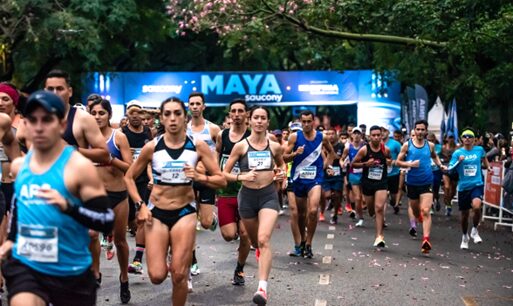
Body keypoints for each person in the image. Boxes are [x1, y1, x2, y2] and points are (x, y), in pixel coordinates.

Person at [0, 90, 114, 306]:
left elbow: (107, 220)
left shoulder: (80, 168)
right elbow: (18, 204)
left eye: (47, 119)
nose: (39, 127)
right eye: (33, 120)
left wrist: (69, 208)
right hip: (27, 267)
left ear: (61, 125)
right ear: (25, 125)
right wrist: (11, 240)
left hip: (70, 272)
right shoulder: (20, 166)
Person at [124, 97, 226, 306]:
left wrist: (201, 178)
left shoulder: (197, 146)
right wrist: (140, 206)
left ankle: (180, 262)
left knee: (179, 275)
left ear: (184, 117)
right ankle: (173, 256)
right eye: (167, 114)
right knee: (157, 275)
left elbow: (221, 179)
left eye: (177, 113)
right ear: (161, 118)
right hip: (157, 214)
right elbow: (128, 178)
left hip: (185, 212)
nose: (172, 119)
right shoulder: (152, 147)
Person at [42, 70, 110, 285]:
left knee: (89, 236)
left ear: (69, 92)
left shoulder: (82, 119)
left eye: (59, 88)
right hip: (48, 188)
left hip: (78, 188)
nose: (55, 92)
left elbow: (104, 154)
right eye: (50, 89)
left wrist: (74, 151)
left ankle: (93, 270)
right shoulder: (38, 118)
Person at [222, 105, 285, 305]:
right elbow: (224, 172)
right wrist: (243, 176)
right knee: (255, 241)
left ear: (268, 122)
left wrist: (282, 173)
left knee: (264, 239)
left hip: (268, 196)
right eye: (256, 117)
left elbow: (282, 164)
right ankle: (256, 251)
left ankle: (262, 288)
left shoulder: (274, 146)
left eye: (263, 118)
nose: (259, 121)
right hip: (247, 197)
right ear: (250, 121)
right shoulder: (241, 146)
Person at [89, 98, 133, 303]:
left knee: (120, 240)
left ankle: (124, 277)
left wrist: (111, 160)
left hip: (117, 195)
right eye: (94, 113)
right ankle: (95, 272)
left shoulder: (119, 137)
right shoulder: (85, 138)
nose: (97, 117)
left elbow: (131, 168)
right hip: (93, 195)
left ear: (109, 115)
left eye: (101, 113)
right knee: (91, 235)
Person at [284, 110, 335, 259]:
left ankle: (309, 244)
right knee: (301, 215)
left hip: (315, 179)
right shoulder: (294, 137)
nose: (306, 124)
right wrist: (295, 154)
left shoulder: (321, 137)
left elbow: (331, 154)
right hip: (298, 179)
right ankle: (302, 239)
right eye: (303, 122)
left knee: (313, 211)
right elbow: (284, 158)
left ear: (314, 122)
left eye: (309, 121)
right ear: (300, 122)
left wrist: (326, 167)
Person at [215, 99, 252, 285]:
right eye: (233, 111)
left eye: (240, 111)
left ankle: (239, 268)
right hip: (226, 191)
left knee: (246, 235)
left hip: (248, 193)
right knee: (229, 235)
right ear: (230, 115)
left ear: (247, 114)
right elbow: (217, 155)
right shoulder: (222, 135)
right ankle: (231, 224)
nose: (236, 114)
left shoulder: (254, 135)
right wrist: (215, 176)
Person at [396, 120, 446, 254]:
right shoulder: (407, 145)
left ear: (426, 131)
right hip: (412, 183)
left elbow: (435, 157)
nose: (419, 132)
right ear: (414, 130)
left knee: (425, 210)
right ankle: (418, 219)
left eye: (422, 130)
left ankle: (426, 240)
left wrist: (440, 165)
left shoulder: (430, 145)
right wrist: (410, 164)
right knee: (417, 211)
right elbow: (397, 162)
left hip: (427, 182)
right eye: (417, 129)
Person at [122, 102, 153, 275]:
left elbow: (150, 158)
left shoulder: (148, 133)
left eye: (137, 112)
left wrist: (151, 177)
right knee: (130, 219)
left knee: (142, 217)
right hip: (125, 180)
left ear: (142, 114)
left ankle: (137, 260)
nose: (134, 115)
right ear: (127, 114)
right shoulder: (121, 133)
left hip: (143, 181)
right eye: (131, 112)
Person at [448, 128, 490, 249]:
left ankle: (475, 230)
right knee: (465, 215)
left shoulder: (479, 150)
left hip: (477, 184)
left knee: (477, 206)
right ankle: (465, 236)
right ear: (461, 139)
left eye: (470, 137)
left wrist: (488, 167)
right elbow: (450, 168)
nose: (467, 138)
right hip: (463, 187)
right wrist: (459, 162)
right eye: (465, 136)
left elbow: (484, 158)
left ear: (474, 140)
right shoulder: (457, 153)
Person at [352, 126, 391, 248]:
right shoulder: (364, 150)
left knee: (379, 208)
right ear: (369, 136)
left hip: (381, 182)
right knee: (371, 210)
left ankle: (379, 236)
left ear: (381, 136)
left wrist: (389, 162)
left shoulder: (385, 150)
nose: (376, 137)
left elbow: (390, 161)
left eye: (378, 135)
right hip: (368, 183)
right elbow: (353, 164)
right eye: (373, 135)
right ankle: (372, 213)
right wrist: (365, 164)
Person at [341, 127, 366, 226]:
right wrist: (342, 163)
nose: (356, 135)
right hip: (353, 174)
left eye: (358, 133)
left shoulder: (365, 147)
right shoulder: (348, 148)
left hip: (365, 174)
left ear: (361, 135)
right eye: (354, 133)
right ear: (351, 135)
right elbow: (342, 158)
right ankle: (360, 217)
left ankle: (373, 212)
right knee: (358, 198)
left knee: (366, 199)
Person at [322, 127, 344, 224]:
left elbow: (340, 157)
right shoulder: (322, 146)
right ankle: (331, 201)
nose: (330, 136)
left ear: (336, 135)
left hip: (337, 173)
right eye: (328, 134)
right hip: (326, 174)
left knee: (337, 194)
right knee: (327, 195)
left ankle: (335, 214)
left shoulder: (341, 146)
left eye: (332, 133)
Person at [383, 127, 402, 214]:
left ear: (388, 132)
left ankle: (394, 202)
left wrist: (395, 161)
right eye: (381, 131)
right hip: (381, 173)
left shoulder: (395, 144)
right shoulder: (376, 143)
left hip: (394, 172)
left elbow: (402, 155)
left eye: (384, 131)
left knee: (393, 194)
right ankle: (382, 216)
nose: (382, 133)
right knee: (383, 194)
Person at [441, 133, 458, 216]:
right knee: (447, 187)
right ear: (446, 138)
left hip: (455, 170)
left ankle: (449, 203)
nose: (450, 139)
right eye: (449, 137)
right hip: (446, 170)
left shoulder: (457, 147)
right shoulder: (443, 147)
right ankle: (447, 204)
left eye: (452, 137)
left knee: (453, 191)